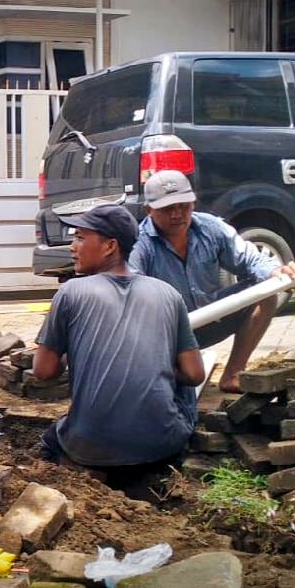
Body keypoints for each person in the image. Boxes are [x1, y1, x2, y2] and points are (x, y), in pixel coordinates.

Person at [33, 204, 205, 485]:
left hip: (89, 448)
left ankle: (81, 472)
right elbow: (195, 374)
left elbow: (43, 371)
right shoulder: (168, 293)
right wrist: (156, 364)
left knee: (51, 442)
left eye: (80, 238)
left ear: (110, 246)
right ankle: (165, 464)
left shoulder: (71, 292)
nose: (73, 247)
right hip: (161, 446)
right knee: (182, 388)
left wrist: (76, 352)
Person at [128, 170, 295, 393]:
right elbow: (130, 297)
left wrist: (276, 271)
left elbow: (250, 259)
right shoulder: (139, 245)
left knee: (265, 293)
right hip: (169, 336)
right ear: (149, 210)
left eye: (183, 206)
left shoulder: (211, 228)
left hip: (211, 317)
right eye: (167, 208)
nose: (177, 214)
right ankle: (166, 376)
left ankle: (233, 374)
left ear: (193, 202)